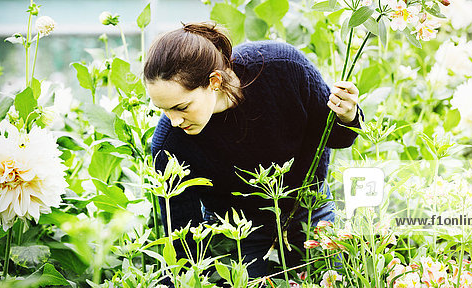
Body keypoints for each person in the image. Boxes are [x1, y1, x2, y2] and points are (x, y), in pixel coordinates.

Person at [144, 22, 362, 278]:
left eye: (181, 107)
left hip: (308, 204)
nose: (174, 121)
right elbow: (185, 246)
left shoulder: (283, 67)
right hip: (236, 228)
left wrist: (348, 116)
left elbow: (338, 138)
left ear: (214, 81)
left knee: (329, 280)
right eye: (163, 110)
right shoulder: (168, 145)